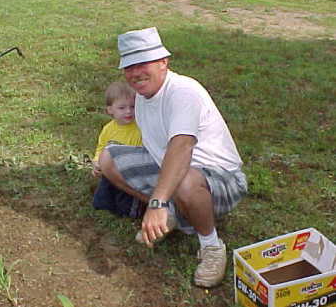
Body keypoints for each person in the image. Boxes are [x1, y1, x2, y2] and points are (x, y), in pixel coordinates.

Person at [98, 27, 248, 288]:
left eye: (143, 63)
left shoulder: (183, 92)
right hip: (177, 170)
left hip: (222, 180)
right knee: (108, 158)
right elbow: (156, 148)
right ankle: (174, 214)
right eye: (129, 66)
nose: (135, 73)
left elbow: (181, 147)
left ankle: (211, 247)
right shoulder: (143, 97)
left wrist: (156, 203)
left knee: (185, 180)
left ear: (163, 62)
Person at [91, 81, 144, 218]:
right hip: (109, 173)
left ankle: (135, 209)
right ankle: (107, 207)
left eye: (132, 107)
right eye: (122, 108)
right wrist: (97, 161)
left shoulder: (140, 128)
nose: (128, 111)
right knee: (100, 202)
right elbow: (101, 147)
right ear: (110, 110)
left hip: (130, 177)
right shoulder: (108, 129)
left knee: (126, 208)